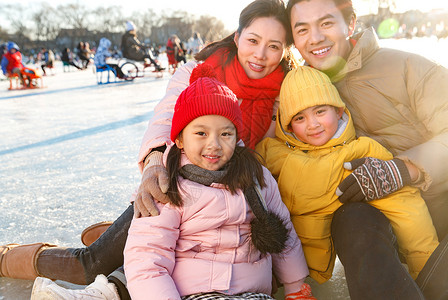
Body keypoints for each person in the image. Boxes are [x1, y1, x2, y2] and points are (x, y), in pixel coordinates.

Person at [1, 1, 299, 299]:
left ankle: (121, 241)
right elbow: (164, 121)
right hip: (177, 188)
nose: (260, 55)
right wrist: (155, 163)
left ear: (285, 49)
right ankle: (9, 258)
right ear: (237, 37)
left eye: (274, 46)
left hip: (233, 203)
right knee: (91, 266)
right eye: (253, 40)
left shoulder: (286, 88)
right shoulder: (196, 73)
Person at [33, 64, 314, 300]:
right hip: (197, 291)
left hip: (254, 291)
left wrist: (294, 285)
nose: (214, 145)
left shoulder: (257, 177)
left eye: (225, 134)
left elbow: (283, 231)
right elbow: (147, 258)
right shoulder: (170, 186)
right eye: (201, 133)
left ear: (237, 136)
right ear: (179, 139)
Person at [286, 0, 448, 299]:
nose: (315, 37)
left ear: (349, 23)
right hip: (378, 223)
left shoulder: (407, 68)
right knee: (351, 220)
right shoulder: (299, 94)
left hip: (442, 202)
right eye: (302, 29)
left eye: (325, 23)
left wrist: (405, 168)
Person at [256, 66, 439, 284]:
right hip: (291, 274)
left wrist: (429, 272)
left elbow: (407, 209)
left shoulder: (361, 151)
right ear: (287, 126)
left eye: (320, 111)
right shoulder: (274, 153)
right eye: (299, 118)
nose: (312, 124)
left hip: (345, 248)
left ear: (339, 111)